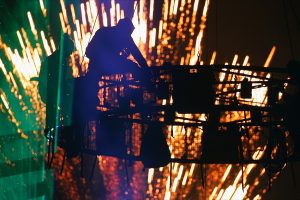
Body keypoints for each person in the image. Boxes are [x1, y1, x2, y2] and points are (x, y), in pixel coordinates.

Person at [82, 18, 151, 121]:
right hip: (98, 66)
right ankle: (144, 89)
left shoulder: (110, 33)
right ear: (123, 29)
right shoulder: (109, 34)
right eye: (129, 33)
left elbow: (137, 55)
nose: (129, 36)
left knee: (132, 66)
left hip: (101, 67)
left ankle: (141, 91)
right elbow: (89, 52)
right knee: (132, 66)